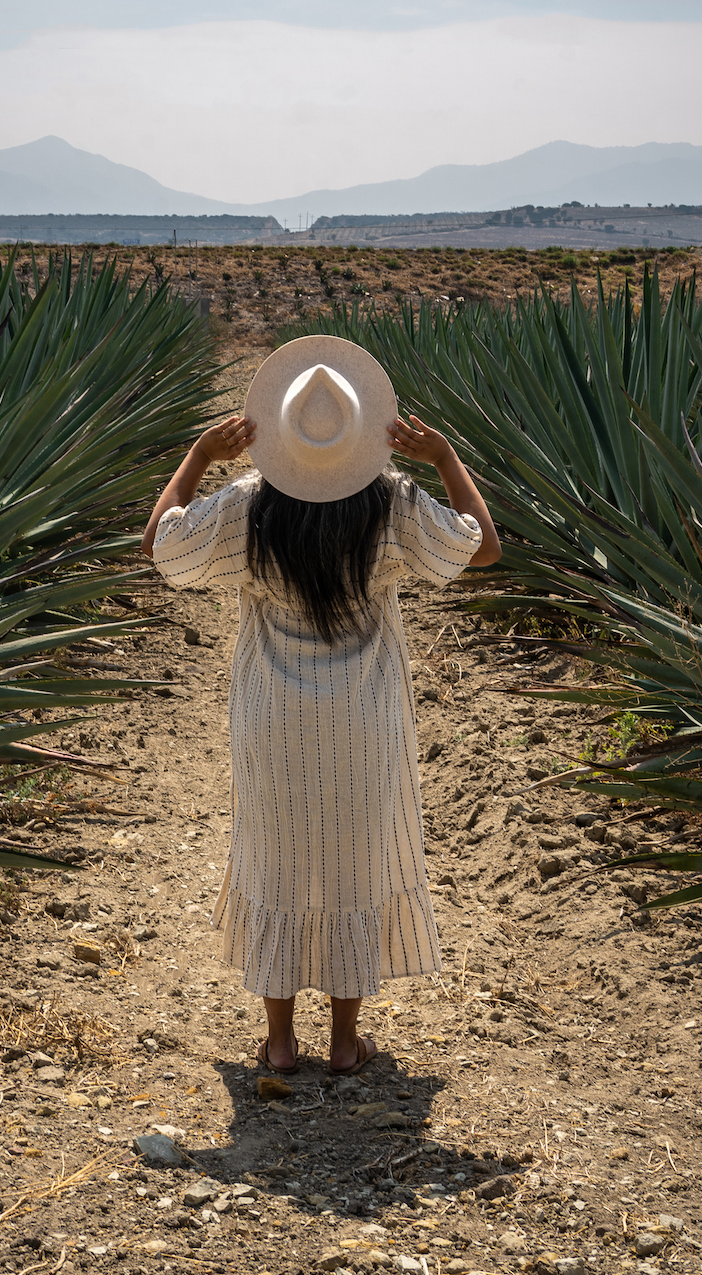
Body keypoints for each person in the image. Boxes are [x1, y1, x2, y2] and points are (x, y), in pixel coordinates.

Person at [140, 337, 500, 1075]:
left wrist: (200, 456)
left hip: (274, 717)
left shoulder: (249, 508)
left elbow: (160, 545)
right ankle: (344, 1043)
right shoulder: (392, 503)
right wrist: (445, 459)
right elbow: (484, 546)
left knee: (275, 857)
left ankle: (278, 1042)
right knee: (353, 862)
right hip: (363, 720)